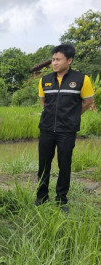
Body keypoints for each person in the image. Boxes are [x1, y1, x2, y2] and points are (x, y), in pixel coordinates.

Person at [35, 44, 94, 212]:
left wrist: (72, 116)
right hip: (46, 129)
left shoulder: (82, 79)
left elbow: (87, 102)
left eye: (58, 59)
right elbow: (44, 102)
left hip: (67, 131)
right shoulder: (44, 80)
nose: (54, 63)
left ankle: (61, 199)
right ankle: (42, 196)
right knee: (43, 164)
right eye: (53, 59)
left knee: (64, 165)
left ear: (69, 60)